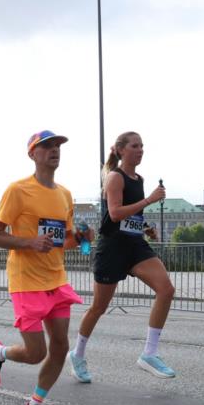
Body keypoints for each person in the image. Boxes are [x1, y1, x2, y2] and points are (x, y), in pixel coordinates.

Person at [0, 130, 93, 405]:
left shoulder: (65, 194)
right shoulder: (18, 190)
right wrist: (30, 242)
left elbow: (61, 242)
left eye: (57, 146)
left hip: (56, 280)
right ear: (33, 154)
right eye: (46, 146)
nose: (54, 150)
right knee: (35, 353)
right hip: (26, 281)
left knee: (59, 347)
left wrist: (80, 238)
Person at [69, 131, 175, 382]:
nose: (140, 150)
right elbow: (115, 214)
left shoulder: (138, 178)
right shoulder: (115, 178)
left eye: (142, 146)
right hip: (113, 247)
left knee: (167, 289)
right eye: (135, 146)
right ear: (121, 150)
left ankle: (149, 353)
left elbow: (131, 214)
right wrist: (150, 199)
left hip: (135, 246)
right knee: (99, 307)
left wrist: (145, 226)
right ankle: (78, 354)